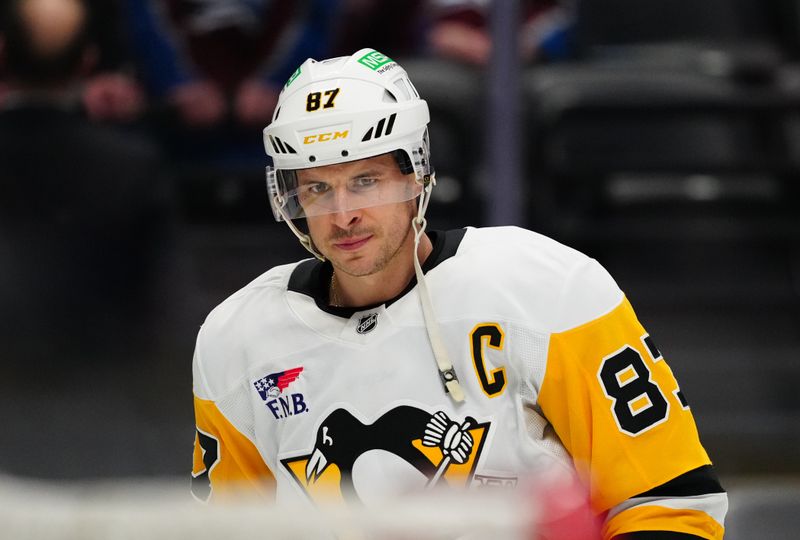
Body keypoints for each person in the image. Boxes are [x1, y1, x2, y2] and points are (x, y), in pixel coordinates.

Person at [191, 48, 727, 539]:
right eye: (317, 188)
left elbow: (670, 502)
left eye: (366, 180)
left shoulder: (547, 288)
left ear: (417, 175)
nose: (342, 213)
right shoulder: (237, 339)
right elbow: (231, 531)